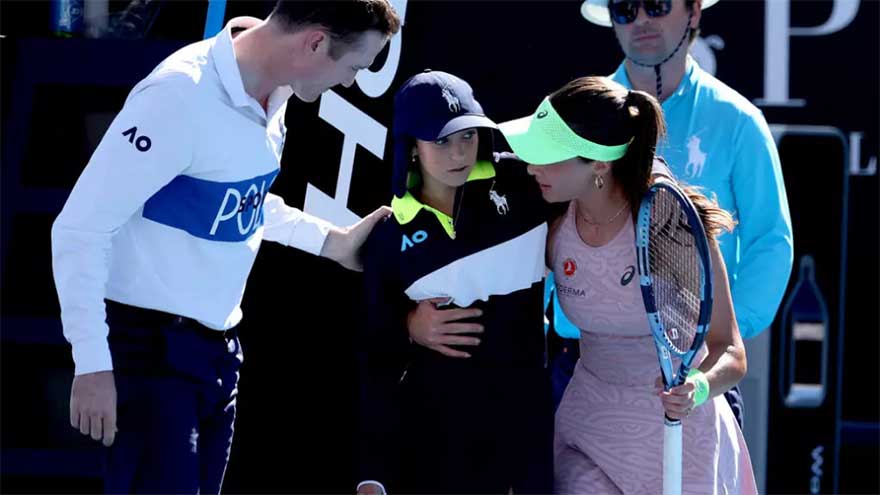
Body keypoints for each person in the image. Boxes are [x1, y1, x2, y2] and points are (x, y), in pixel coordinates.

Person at [51, 1, 400, 493]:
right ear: (316, 43)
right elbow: (79, 229)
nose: (347, 82)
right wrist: (92, 362)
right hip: (149, 358)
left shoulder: (275, 93)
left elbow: (237, 197)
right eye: (352, 68)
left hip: (217, 356)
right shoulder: (177, 97)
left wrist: (331, 242)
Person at [498, 75, 756, 493]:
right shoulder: (549, 220)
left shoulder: (671, 224)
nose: (532, 167)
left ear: (599, 164)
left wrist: (699, 386)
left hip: (679, 435)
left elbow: (731, 350)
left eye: (548, 156)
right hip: (587, 428)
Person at [561, 0, 794, 424]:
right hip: (587, 369)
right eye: (625, 9)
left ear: (694, 12)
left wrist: (710, 343)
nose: (642, 21)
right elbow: (546, 229)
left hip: (695, 380)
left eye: (656, 4)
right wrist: (574, 324)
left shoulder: (738, 120)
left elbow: (770, 242)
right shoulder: (574, 120)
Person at [357, 70, 554, 494]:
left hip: (527, 433)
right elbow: (376, 360)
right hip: (437, 449)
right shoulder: (389, 238)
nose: (459, 152)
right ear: (411, 147)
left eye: (467, 135)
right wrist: (371, 475)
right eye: (441, 141)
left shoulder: (526, 183)